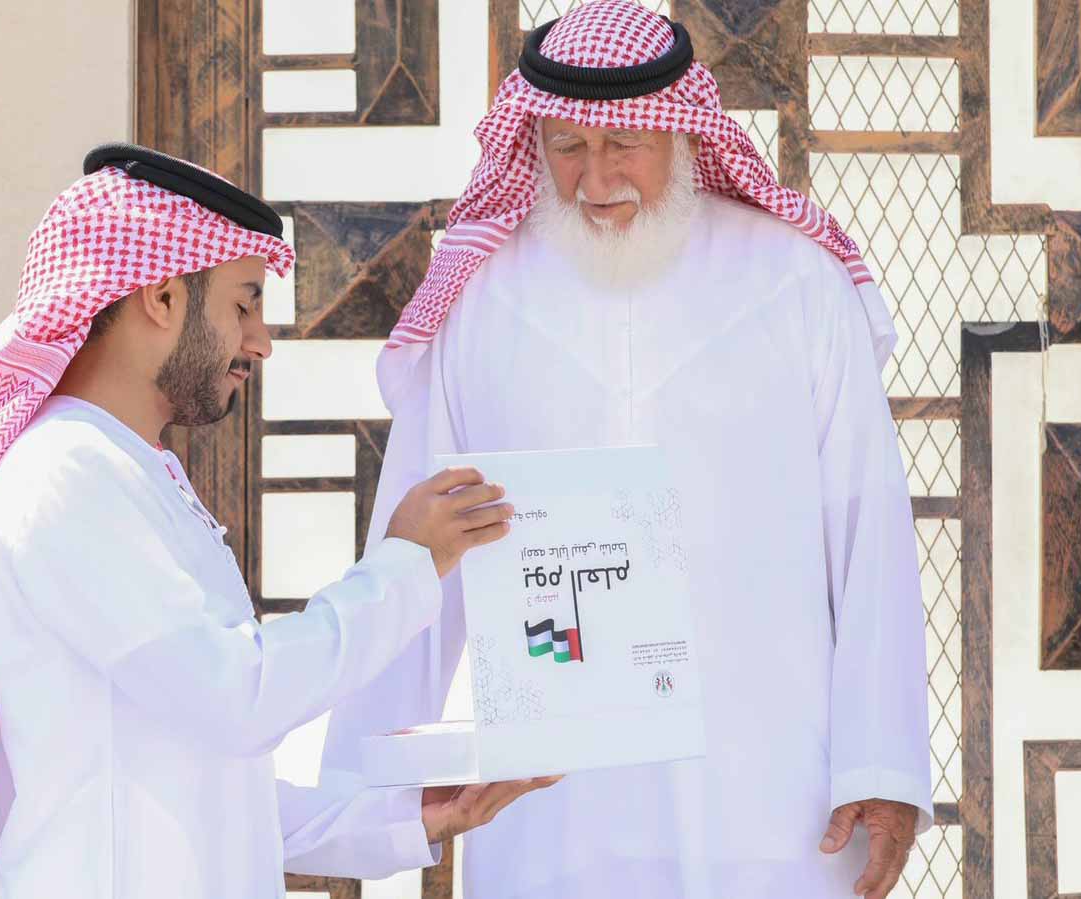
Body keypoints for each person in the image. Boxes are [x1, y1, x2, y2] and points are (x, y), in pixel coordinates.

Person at [0, 144, 553, 899]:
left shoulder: (127, 472)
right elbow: (238, 697)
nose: (260, 343)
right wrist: (405, 564)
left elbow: (213, 784)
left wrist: (408, 816)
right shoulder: (63, 475)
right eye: (242, 303)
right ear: (163, 298)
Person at [319, 4, 933, 898]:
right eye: (567, 146)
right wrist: (358, 798)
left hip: (767, 790)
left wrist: (883, 766)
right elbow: (423, 546)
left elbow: (867, 532)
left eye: (626, 146)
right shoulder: (483, 297)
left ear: (684, 135)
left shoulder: (795, 281)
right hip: (554, 807)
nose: (595, 178)